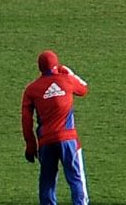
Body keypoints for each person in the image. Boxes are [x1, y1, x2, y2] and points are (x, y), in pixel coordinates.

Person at [22, 49, 94, 205]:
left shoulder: (31, 89)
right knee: (76, 178)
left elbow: (26, 120)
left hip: (46, 141)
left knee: (47, 180)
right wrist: (69, 72)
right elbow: (84, 89)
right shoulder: (67, 80)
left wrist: (30, 146)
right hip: (68, 139)